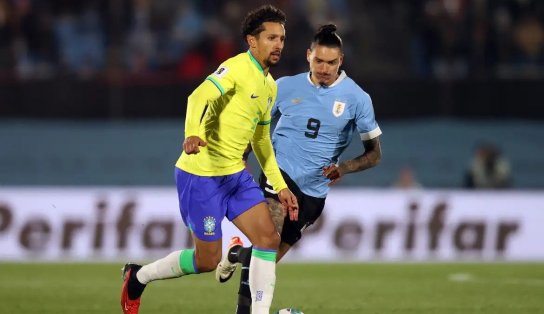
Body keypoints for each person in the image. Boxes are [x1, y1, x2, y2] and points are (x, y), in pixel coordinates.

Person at [120, 5, 299, 314]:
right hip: (201, 176)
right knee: (207, 260)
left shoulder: (270, 86)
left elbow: (261, 140)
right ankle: (138, 276)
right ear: (251, 41)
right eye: (271, 37)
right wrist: (192, 132)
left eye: (281, 38)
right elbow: (198, 97)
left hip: (235, 176)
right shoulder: (236, 68)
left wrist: (280, 186)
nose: (278, 44)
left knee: (268, 238)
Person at [215, 24, 382, 314]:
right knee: (266, 246)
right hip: (278, 175)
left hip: (314, 193)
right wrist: (240, 158)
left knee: (266, 257)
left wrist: (344, 168)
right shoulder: (284, 86)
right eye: (319, 60)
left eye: (331, 62)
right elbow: (255, 126)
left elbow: (374, 155)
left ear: (340, 61)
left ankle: (235, 253)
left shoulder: (357, 99)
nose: (324, 68)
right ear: (308, 56)